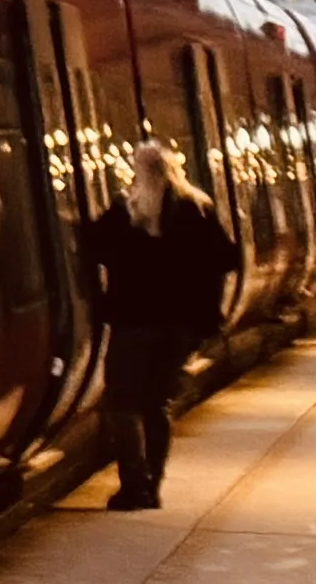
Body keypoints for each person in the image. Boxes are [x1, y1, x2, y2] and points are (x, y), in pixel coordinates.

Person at [76, 149, 238, 509]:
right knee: (157, 403)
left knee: (122, 401)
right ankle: (154, 483)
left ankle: (135, 485)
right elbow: (228, 257)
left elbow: (92, 244)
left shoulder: (127, 209)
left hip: (133, 322)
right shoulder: (197, 207)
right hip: (180, 327)